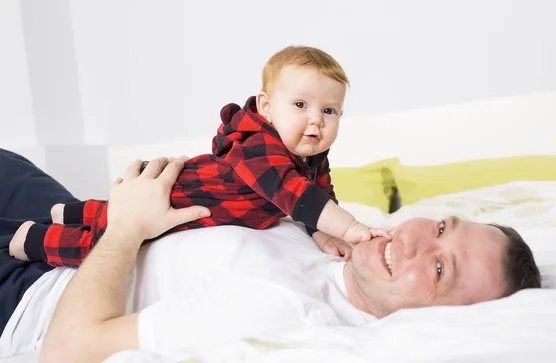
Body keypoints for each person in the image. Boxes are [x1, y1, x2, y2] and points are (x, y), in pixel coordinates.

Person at [0, 150, 541, 363]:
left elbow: (66, 354)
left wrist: (126, 227)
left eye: (442, 270)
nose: (420, 241)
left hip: (31, 290)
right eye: (443, 227)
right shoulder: (345, 239)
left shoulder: (278, 314)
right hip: (68, 228)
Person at [9, 45, 389, 269]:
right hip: (185, 198)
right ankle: (33, 239)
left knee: (108, 214)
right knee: (112, 241)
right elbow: (295, 195)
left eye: (329, 111)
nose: (315, 121)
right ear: (267, 108)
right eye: (301, 104)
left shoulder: (311, 152)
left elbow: (318, 195)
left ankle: (67, 211)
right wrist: (351, 228)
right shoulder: (258, 146)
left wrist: (322, 231)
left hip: (196, 197)